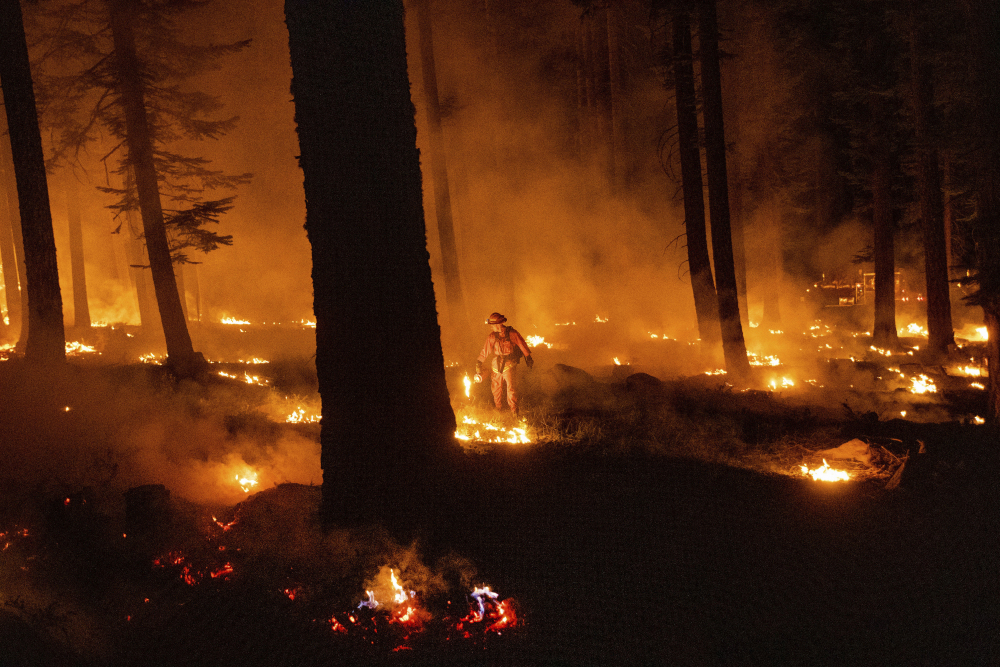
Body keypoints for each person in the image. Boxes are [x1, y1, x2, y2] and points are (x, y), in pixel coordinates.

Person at [474, 312, 533, 414]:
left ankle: (514, 412)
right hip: (496, 366)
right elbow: (485, 350)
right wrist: (479, 362)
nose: (491, 327)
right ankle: (498, 409)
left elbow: (522, 344)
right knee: (496, 389)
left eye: (492, 325)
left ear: (498, 324)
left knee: (511, 390)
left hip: (509, 365)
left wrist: (528, 357)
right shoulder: (492, 336)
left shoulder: (513, 334)